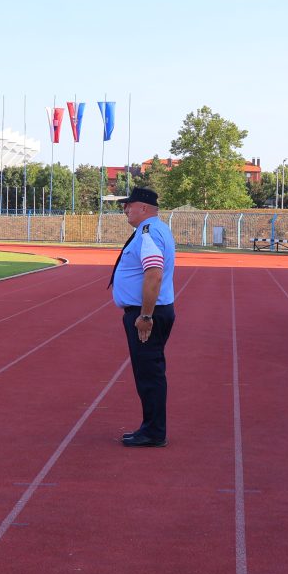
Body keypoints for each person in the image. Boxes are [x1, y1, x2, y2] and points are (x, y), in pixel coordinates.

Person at [110, 186, 176, 448]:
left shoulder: (148, 233)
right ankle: (151, 428)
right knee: (149, 372)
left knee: (149, 374)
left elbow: (153, 274)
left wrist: (146, 316)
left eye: (129, 204)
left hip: (147, 314)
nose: (125, 209)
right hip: (150, 311)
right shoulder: (152, 231)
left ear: (144, 208)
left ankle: (154, 432)